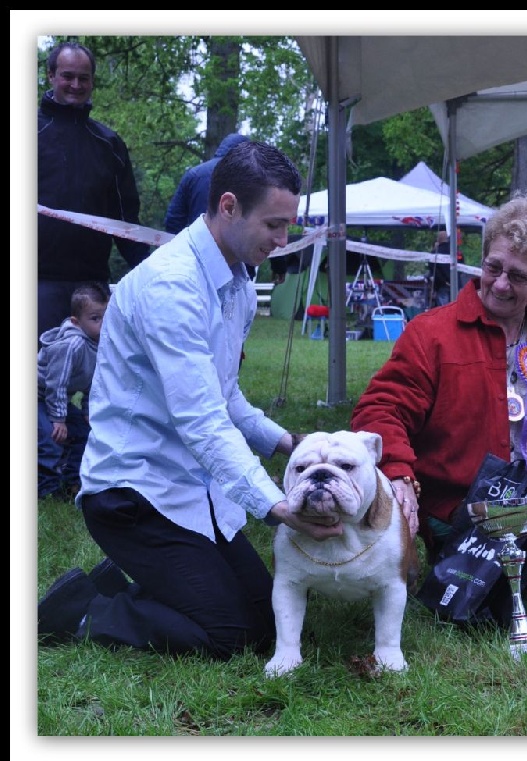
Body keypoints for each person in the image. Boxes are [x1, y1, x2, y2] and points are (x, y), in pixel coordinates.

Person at [37, 141, 344, 659]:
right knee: (228, 636)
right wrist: (274, 506)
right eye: (273, 224)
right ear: (228, 207)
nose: (283, 238)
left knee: (267, 619)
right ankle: (83, 610)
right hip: (132, 494)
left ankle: (130, 580)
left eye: (287, 224)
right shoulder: (170, 287)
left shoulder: (238, 284)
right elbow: (202, 422)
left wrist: (288, 441)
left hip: (192, 490)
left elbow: (224, 398)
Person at [351, 191, 527, 588]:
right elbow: (380, 410)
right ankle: (507, 558)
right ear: (483, 258)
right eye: (494, 267)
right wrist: (400, 475)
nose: (501, 285)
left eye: (519, 276)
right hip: (459, 502)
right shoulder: (430, 333)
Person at [38, 41, 149, 343]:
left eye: (83, 78)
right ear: (50, 75)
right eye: (67, 76)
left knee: (96, 382)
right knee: (35, 381)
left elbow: (126, 218)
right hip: (36, 283)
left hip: (92, 289)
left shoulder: (109, 145)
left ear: (92, 81)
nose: (76, 85)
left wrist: (152, 269)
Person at [164, 132, 287, 285]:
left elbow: (173, 220)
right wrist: (279, 266)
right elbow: (270, 220)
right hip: (237, 264)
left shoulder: (193, 174)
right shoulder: (251, 179)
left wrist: (178, 253)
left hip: (193, 261)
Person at [37, 281, 110, 500]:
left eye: (107, 317)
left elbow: (93, 382)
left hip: (54, 398)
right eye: (95, 318)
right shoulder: (73, 345)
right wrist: (58, 419)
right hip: (38, 395)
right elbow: (56, 384)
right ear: (76, 322)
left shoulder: (100, 344)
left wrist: (87, 410)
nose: (103, 324)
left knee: (84, 433)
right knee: (50, 438)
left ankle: (71, 483)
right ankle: (45, 490)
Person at [428, 230, 453, 308]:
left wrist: (444, 282)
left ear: (438, 239)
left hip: (441, 285)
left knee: (443, 308)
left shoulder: (435, 252)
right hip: (455, 285)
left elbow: (433, 269)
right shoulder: (455, 251)